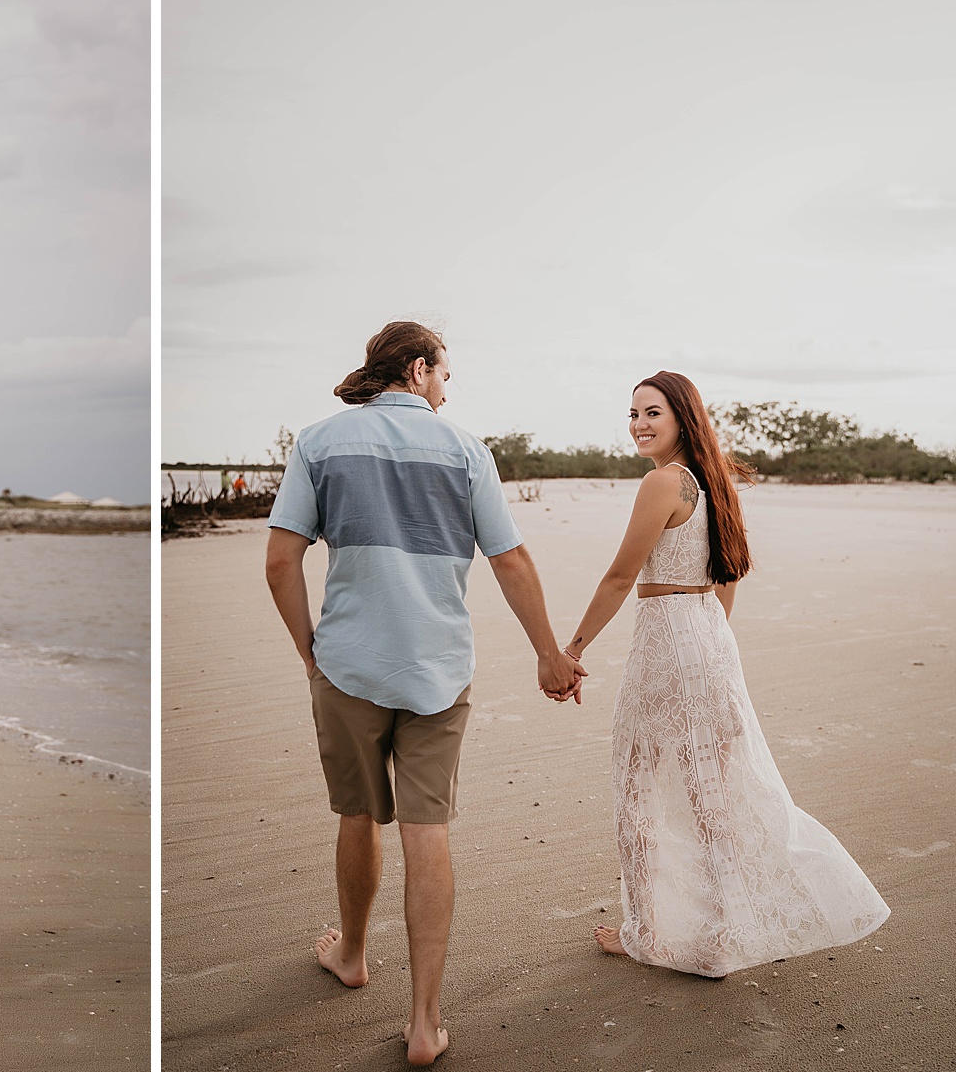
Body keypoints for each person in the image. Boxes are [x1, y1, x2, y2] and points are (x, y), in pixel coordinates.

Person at [264, 321, 584, 1067]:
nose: (447, 389)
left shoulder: (318, 442)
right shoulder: (466, 450)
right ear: (417, 370)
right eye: (444, 374)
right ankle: (424, 1021)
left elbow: (280, 563)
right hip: (438, 669)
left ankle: (351, 954)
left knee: (356, 813)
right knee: (427, 828)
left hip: (348, 664)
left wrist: (310, 654)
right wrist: (549, 655)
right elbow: (510, 560)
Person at [565, 372, 889, 977]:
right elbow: (727, 576)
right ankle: (721, 930)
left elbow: (620, 577)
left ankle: (649, 932)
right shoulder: (716, 483)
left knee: (640, 775)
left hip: (667, 636)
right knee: (710, 789)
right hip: (708, 633)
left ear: (683, 418)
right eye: (633, 414)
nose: (639, 425)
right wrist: (707, 645)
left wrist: (572, 648)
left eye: (652, 413)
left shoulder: (664, 482)